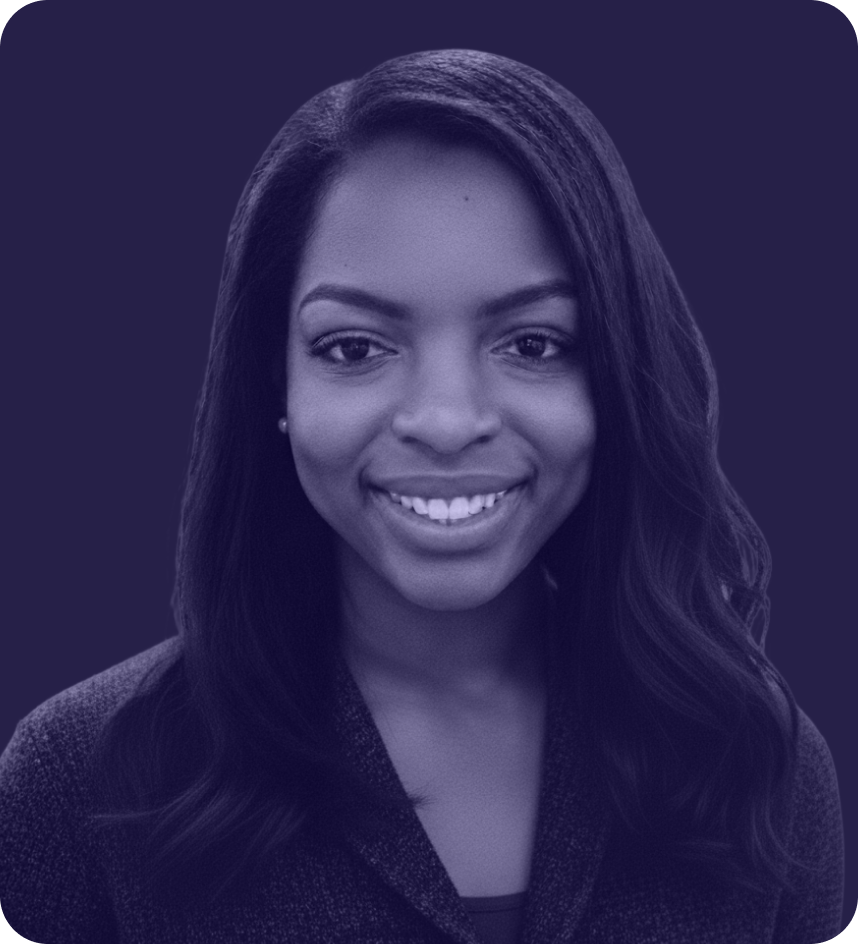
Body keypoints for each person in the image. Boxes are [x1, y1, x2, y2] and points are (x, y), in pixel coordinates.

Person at [0, 49, 845, 944]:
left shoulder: (759, 767)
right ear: (272, 390)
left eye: (534, 343)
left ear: (617, 383)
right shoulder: (81, 780)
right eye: (355, 349)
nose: (446, 421)